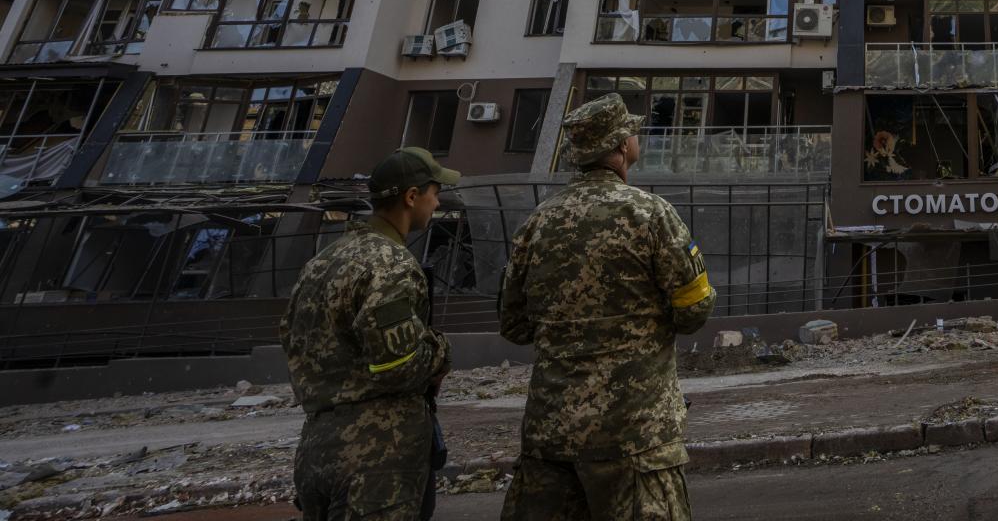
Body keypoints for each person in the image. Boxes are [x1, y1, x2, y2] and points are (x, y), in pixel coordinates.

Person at [499, 94, 717, 520]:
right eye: (632, 132)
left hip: (551, 437)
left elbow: (514, 325)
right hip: (633, 435)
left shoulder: (537, 223)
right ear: (621, 146)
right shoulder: (650, 214)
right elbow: (694, 311)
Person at [281, 145, 458, 520]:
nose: (438, 202)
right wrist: (440, 352)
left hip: (316, 444)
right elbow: (399, 365)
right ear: (412, 196)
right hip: (377, 452)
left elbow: (293, 340)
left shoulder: (323, 261)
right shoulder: (390, 264)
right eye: (435, 192)